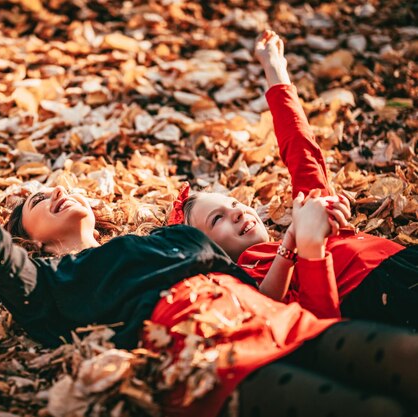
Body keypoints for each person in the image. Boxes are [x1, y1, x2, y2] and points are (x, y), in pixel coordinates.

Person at [0, 59, 418, 417]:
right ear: (35, 244)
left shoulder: (170, 237)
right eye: (32, 206)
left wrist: (295, 246)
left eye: (52, 186)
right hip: (209, 357)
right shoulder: (51, 285)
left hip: (282, 323)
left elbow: (270, 287)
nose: (50, 193)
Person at [169, 30, 418, 331]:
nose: (237, 211)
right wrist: (304, 246)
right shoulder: (248, 285)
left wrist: (275, 70)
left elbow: (302, 152)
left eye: (234, 203)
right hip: (381, 300)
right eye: (217, 218)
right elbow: (318, 325)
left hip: (404, 261)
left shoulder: (304, 214)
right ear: (207, 249)